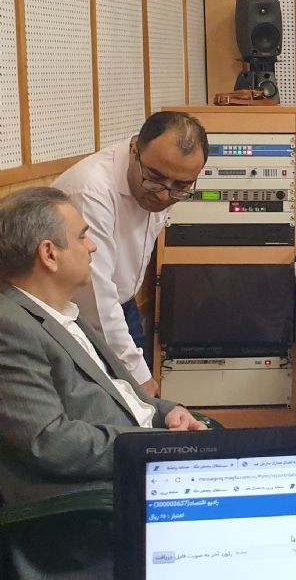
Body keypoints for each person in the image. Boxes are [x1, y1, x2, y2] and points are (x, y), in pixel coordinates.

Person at [0, 187, 206, 578]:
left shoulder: (64, 312)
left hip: (135, 462)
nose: (92, 246)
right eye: (82, 236)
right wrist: (156, 444)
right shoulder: (9, 327)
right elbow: (49, 443)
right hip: (91, 508)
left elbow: (121, 392)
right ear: (49, 254)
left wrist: (167, 412)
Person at [53, 111, 208, 397]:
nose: (164, 195)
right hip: (76, 313)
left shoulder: (161, 179)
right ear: (135, 150)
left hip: (122, 305)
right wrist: (138, 376)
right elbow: (95, 300)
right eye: (155, 178)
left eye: (181, 186)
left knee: (141, 408)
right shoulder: (91, 191)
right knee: (119, 406)